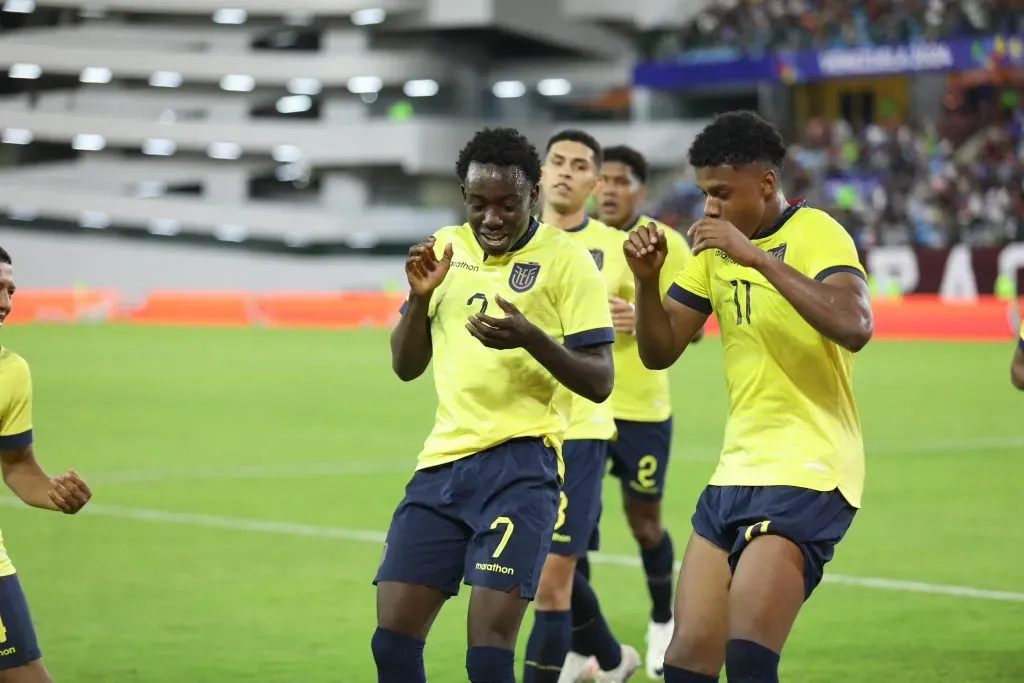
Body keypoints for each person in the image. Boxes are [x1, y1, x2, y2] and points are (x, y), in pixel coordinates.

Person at [623, 110, 873, 683]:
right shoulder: (711, 255)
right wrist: (644, 280)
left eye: (721, 194)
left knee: (750, 659)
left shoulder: (817, 233)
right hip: (737, 469)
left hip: (812, 469)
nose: (709, 208)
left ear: (766, 185)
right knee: (685, 663)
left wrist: (755, 257)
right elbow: (660, 351)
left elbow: (856, 324)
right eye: (704, 194)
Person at [373, 127, 617, 683]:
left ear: (532, 194)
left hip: (520, 470)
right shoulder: (446, 247)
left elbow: (601, 380)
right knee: (391, 643)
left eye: (508, 204)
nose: (492, 218)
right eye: (479, 204)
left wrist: (531, 337)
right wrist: (419, 298)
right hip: (440, 470)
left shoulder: (568, 261)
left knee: (487, 655)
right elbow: (405, 366)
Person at [523, 129, 640, 683]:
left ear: (595, 184)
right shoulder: (510, 242)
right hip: (517, 426)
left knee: (549, 581)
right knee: (544, 569)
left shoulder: (617, 249)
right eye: (558, 162)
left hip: (582, 427)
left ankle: (607, 662)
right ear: (541, 172)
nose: (566, 172)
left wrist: (641, 320)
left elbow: (676, 330)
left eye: (580, 166)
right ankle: (615, 661)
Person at [597, 145, 702, 679]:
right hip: (581, 410)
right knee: (572, 530)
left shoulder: (669, 244)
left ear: (640, 189)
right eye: (604, 179)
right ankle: (585, 643)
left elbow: (697, 326)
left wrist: (641, 317)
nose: (609, 188)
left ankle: (663, 622)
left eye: (621, 180)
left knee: (645, 524)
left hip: (641, 409)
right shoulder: (573, 242)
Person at [0, 246, 93, 683]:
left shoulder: (11, 372)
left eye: (11, 290)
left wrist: (55, 495)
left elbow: (18, 465)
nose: (5, 303)